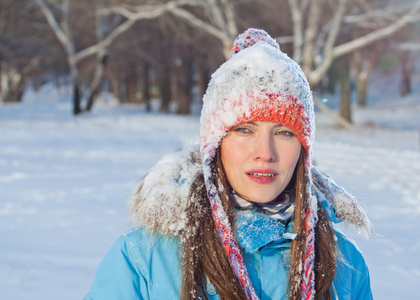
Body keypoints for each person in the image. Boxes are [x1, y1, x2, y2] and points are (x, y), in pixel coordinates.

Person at [84, 28, 373, 300]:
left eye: (284, 132)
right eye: (244, 130)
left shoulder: (345, 267)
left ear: (303, 150)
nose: (265, 152)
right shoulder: (143, 258)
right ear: (215, 145)